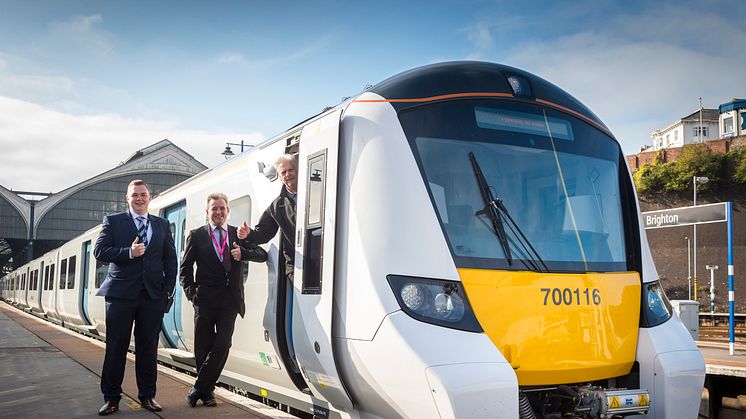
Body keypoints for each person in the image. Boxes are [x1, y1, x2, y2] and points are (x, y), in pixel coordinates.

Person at [93, 180, 177, 416]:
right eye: (135, 195)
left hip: (152, 296)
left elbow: (170, 258)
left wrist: (167, 288)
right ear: (126, 198)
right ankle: (111, 399)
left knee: (148, 349)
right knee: (116, 348)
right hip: (120, 295)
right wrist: (128, 252)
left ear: (150, 197)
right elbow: (100, 251)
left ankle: (148, 396)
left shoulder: (162, 224)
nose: (139, 199)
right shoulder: (113, 221)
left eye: (143, 195)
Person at [180, 193, 267, 407]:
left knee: (223, 343)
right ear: (207, 212)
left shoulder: (237, 234)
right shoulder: (197, 235)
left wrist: (242, 253)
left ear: (227, 211)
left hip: (230, 299)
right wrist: (192, 292)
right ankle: (208, 393)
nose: (218, 212)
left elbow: (262, 254)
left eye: (222, 208)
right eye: (214, 209)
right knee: (203, 347)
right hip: (204, 299)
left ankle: (198, 388)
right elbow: (184, 268)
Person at [237, 154, 298, 369]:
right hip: (296, 268)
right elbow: (264, 234)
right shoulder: (278, 205)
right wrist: (248, 235)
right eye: (283, 172)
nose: (288, 175)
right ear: (279, 177)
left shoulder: (320, 192)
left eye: (291, 170)